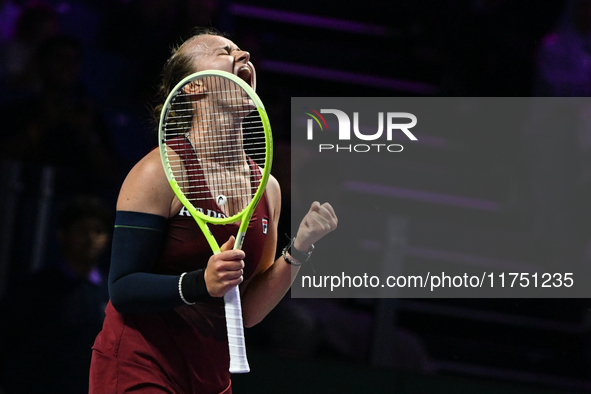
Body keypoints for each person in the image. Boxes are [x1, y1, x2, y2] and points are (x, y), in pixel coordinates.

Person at [89, 30, 338, 394]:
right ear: (192, 87)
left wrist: (299, 249)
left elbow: (249, 311)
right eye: (225, 51)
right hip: (139, 364)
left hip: (209, 376)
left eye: (240, 50)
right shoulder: (159, 172)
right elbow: (123, 288)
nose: (244, 54)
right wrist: (199, 283)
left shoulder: (266, 188)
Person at [0, 194, 111, 394]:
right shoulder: (35, 290)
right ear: (62, 234)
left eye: (98, 231)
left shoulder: (112, 293)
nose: (90, 238)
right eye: (82, 230)